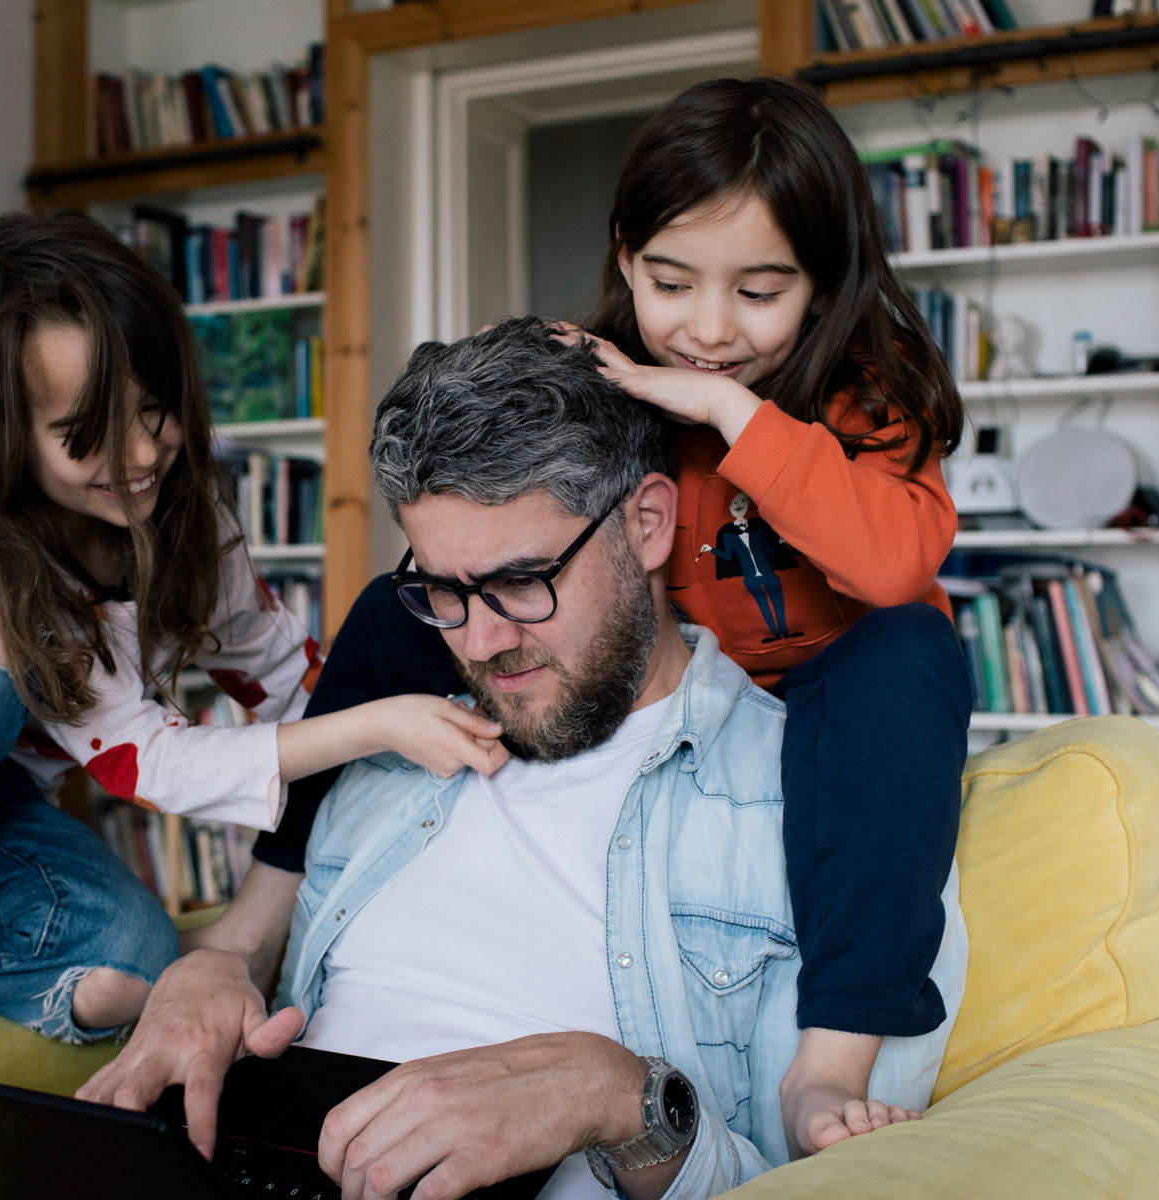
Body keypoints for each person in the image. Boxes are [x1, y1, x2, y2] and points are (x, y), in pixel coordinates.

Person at [244, 75, 974, 1158]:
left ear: (824, 287)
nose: (708, 331)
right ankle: (247, 917)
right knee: (392, 602)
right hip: (667, 665)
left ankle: (825, 1068)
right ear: (624, 257)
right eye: (669, 283)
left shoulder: (862, 396)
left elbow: (888, 563)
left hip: (827, 690)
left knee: (910, 651)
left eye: (758, 292)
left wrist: (728, 413)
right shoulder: (617, 375)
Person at [79, 320, 966, 1200]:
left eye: (519, 582)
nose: (483, 638)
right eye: (444, 592)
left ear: (649, 525)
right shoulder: (389, 760)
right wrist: (212, 971)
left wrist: (616, 1098)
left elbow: (838, 1178)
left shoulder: (831, 800)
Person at [0, 211, 507, 1067]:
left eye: (155, 412)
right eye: (86, 437)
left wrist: (371, 769)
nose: (141, 453)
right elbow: (149, 759)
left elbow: (282, 671)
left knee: (132, 962)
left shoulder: (187, 524)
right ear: (7, 436)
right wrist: (376, 725)